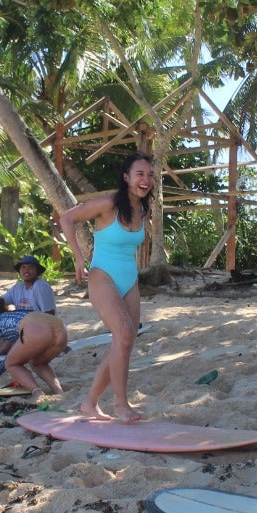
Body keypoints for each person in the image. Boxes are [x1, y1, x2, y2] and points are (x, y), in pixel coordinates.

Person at [58, 151, 154, 421]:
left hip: (129, 280)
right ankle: (121, 406)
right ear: (126, 178)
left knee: (124, 343)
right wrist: (78, 257)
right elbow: (67, 218)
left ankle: (90, 403)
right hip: (103, 277)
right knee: (123, 335)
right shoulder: (108, 203)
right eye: (139, 174)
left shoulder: (143, 208)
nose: (145, 180)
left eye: (149, 174)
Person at [0, 297, 67, 394]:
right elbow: (14, 353)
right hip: (61, 329)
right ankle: (59, 391)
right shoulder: (14, 317)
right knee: (38, 363)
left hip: (36, 329)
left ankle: (37, 392)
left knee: (12, 365)